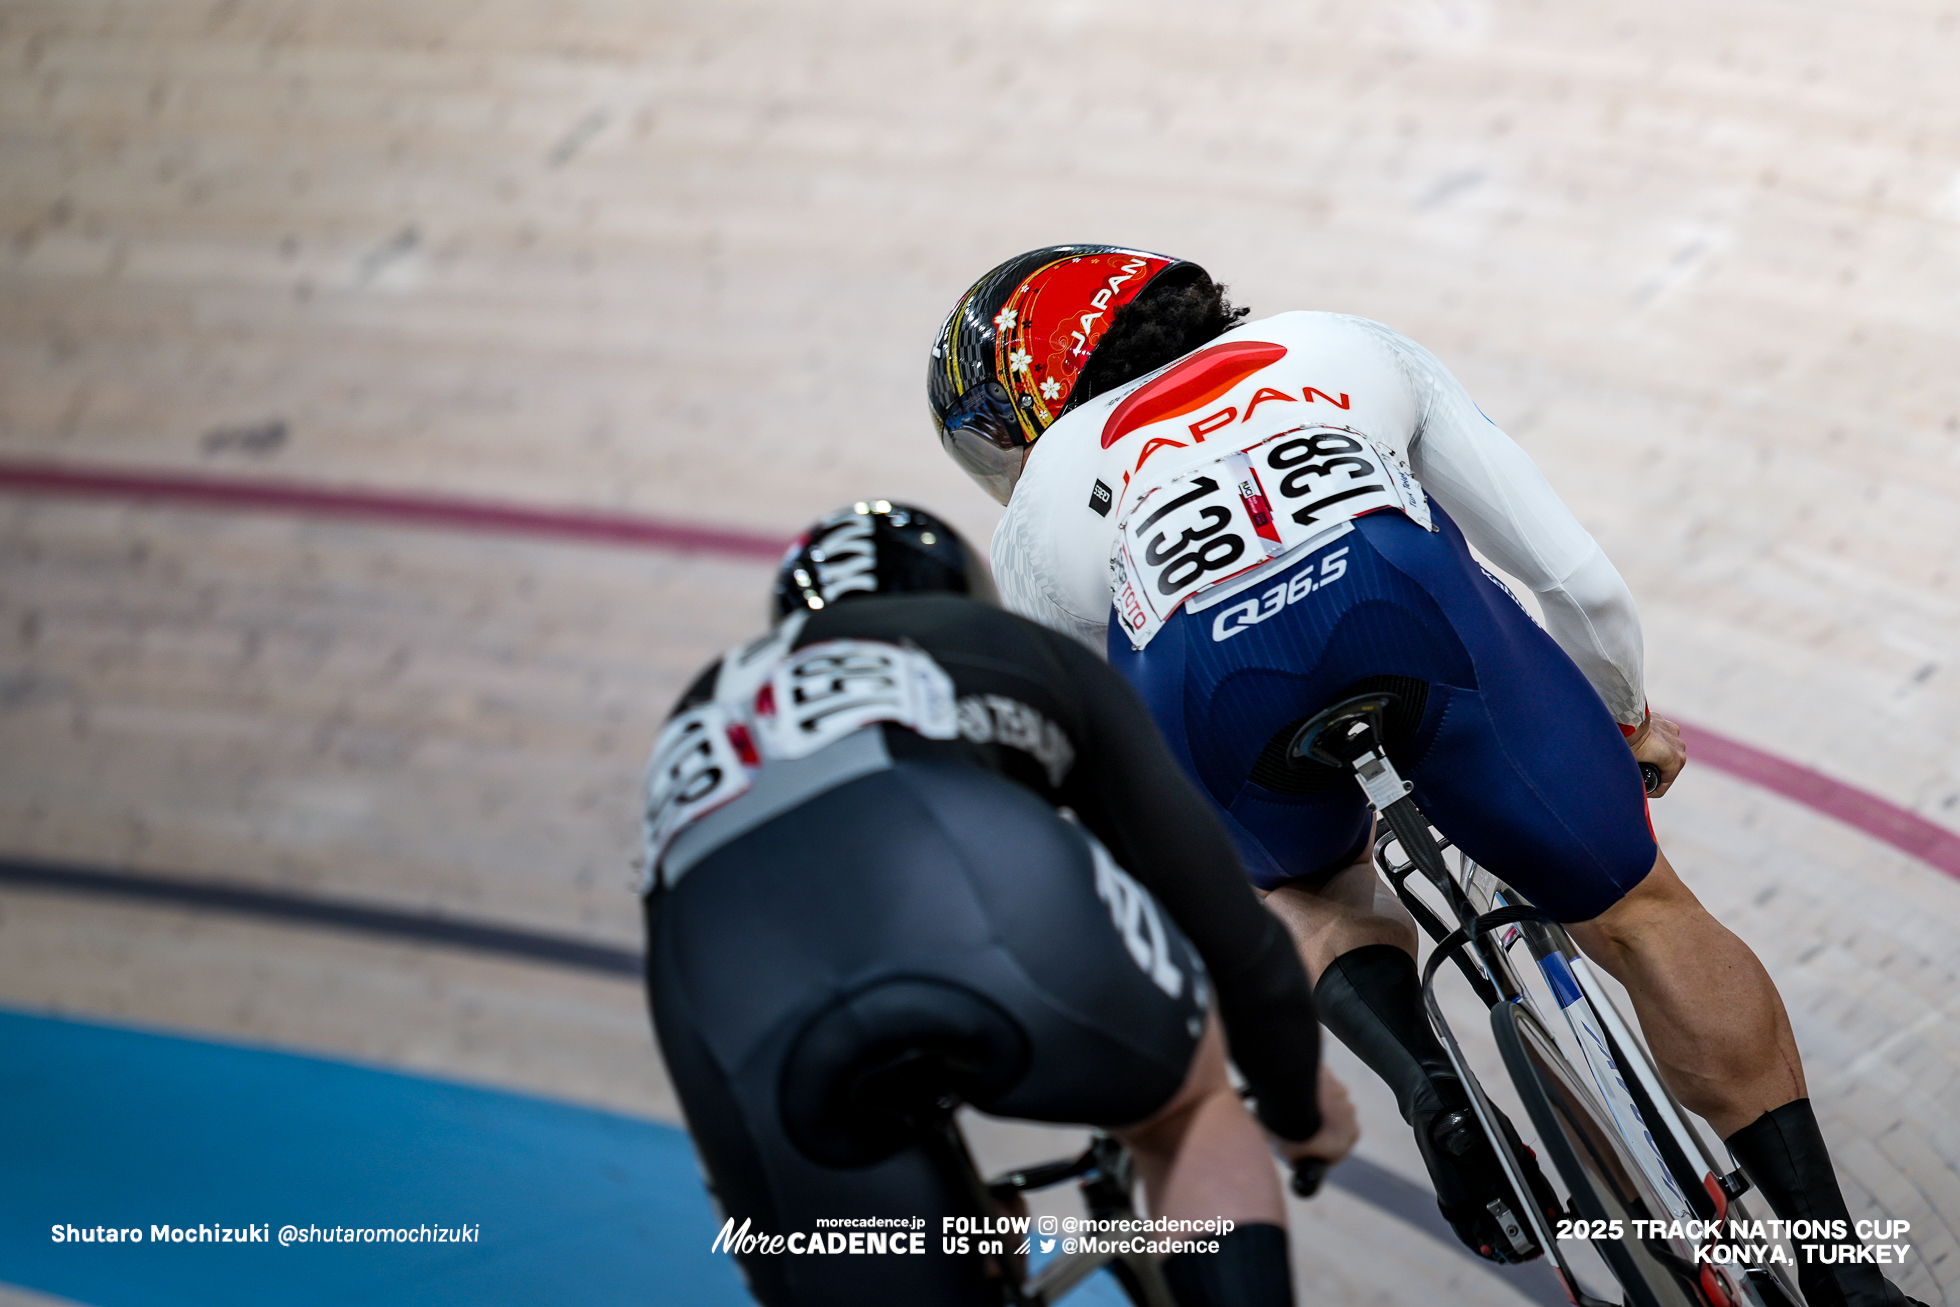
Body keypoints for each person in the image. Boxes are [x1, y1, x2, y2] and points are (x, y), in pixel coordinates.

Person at [927, 246, 1924, 1307]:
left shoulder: (1036, 511)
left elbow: (1106, 765)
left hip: (1210, 690)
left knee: (1297, 893)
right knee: (1639, 907)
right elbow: (1571, 576)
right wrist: (1622, 715)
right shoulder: (1342, 343)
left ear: (1035, 402)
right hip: (1405, 609)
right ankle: (1846, 1279)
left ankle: (1429, 1085)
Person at [640, 500, 1358, 1307]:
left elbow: (680, 991)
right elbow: (1231, 933)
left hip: (748, 1017)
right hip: (979, 897)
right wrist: (1297, 1103)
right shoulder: (1016, 647)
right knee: (1183, 1111)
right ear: (963, 593)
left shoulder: (698, 712)